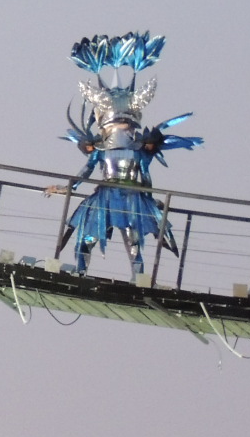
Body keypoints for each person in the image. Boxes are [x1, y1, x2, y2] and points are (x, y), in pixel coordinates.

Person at [45, 31, 201, 276]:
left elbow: (144, 177)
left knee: (133, 244)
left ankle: (135, 280)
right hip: (110, 196)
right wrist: (66, 188)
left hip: (129, 197)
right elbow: (84, 174)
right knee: (89, 239)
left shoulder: (135, 150)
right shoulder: (104, 150)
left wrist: (150, 198)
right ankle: (84, 273)